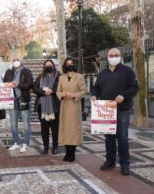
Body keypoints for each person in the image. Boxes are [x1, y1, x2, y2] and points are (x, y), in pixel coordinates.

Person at [91, 48, 139, 176]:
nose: (113, 57)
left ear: (120, 56)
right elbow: (96, 88)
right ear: (107, 57)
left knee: (122, 137)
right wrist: (94, 95)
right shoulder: (102, 73)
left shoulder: (127, 71)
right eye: (111, 55)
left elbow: (134, 87)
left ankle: (125, 164)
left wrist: (123, 95)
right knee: (109, 137)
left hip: (122, 109)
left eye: (116, 55)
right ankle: (110, 161)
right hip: (106, 110)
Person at [56, 57, 87, 162]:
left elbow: (84, 91)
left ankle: (72, 153)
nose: (69, 65)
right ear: (65, 65)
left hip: (74, 106)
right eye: (67, 63)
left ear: (74, 65)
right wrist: (62, 95)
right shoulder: (61, 78)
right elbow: (58, 91)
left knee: (73, 130)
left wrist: (74, 95)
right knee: (65, 130)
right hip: (64, 106)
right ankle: (67, 152)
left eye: (71, 63)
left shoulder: (79, 77)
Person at [3, 56, 33, 153]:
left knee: (26, 124)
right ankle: (16, 142)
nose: (15, 61)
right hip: (12, 100)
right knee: (13, 124)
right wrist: (9, 84)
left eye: (17, 60)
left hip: (23, 99)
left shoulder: (26, 71)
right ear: (12, 61)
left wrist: (18, 84)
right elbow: (4, 84)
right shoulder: (8, 72)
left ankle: (26, 144)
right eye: (14, 60)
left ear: (20, 61)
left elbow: (29, 84)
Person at [33, 59, 60, 155]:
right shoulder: (41, 76)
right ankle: (45, 147)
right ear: (44, 67)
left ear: (53, 66)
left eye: (50, 64)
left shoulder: (58, 76)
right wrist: (44, 92)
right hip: (42, 106)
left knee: (55, 128)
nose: (48, 66)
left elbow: (60, 87)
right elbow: (35, 87)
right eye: (46, 65)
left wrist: (52, 91)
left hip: (54, 106)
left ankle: (55, 147)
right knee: (44, 129)